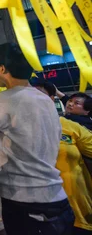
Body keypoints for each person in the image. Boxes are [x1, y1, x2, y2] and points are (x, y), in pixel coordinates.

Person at [0, 43, 74, 234]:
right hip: (57, 199)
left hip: (24, 202)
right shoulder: (44, 100)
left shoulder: (2, 100)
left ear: (2, 69)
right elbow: (4, 127)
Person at [34, 80, 92, 234]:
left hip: (76, 206)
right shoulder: (15, 126)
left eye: (39, 94)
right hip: (42, 210)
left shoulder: (74, 125)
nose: (71, 104)